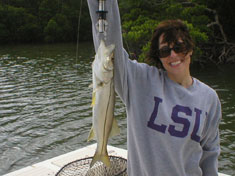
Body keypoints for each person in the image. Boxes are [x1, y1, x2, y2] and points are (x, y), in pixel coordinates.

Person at [87, 0, 221, 175]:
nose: (173, 55)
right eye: (165, 51)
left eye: (179, 47)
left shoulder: (210, 98)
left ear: (190, 49)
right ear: (159, 56)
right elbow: (108, 42)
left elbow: (209, 154)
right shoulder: (139, 81)